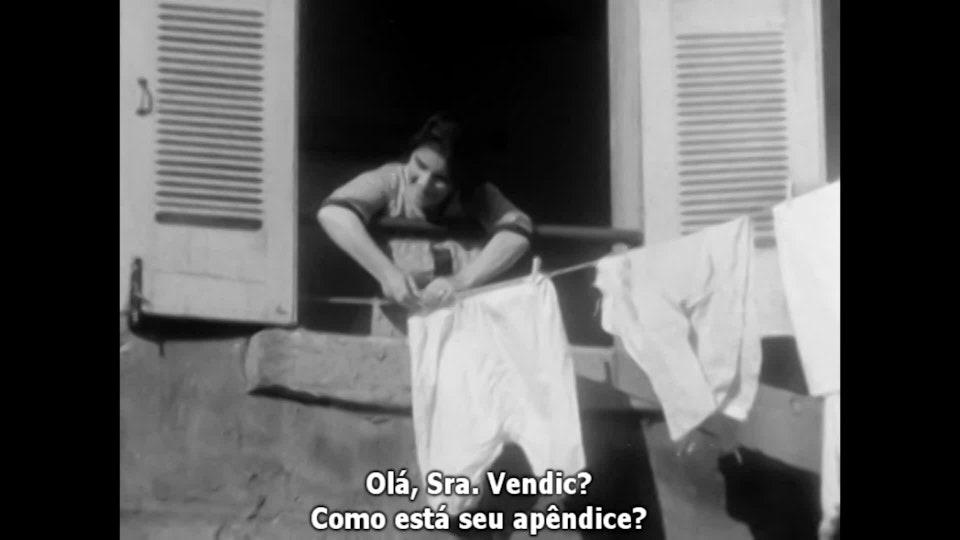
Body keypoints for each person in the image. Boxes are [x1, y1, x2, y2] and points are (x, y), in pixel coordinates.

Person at [317, 113, 532, 310]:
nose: (423, 183)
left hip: (459, 317)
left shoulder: (477, 193)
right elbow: (333, 212)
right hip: (393, 319)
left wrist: (460, 281)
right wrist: (387, 273)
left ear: (459, 182)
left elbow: (518, 230)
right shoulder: (390, 179)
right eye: (420, 165)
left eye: (440, 178)